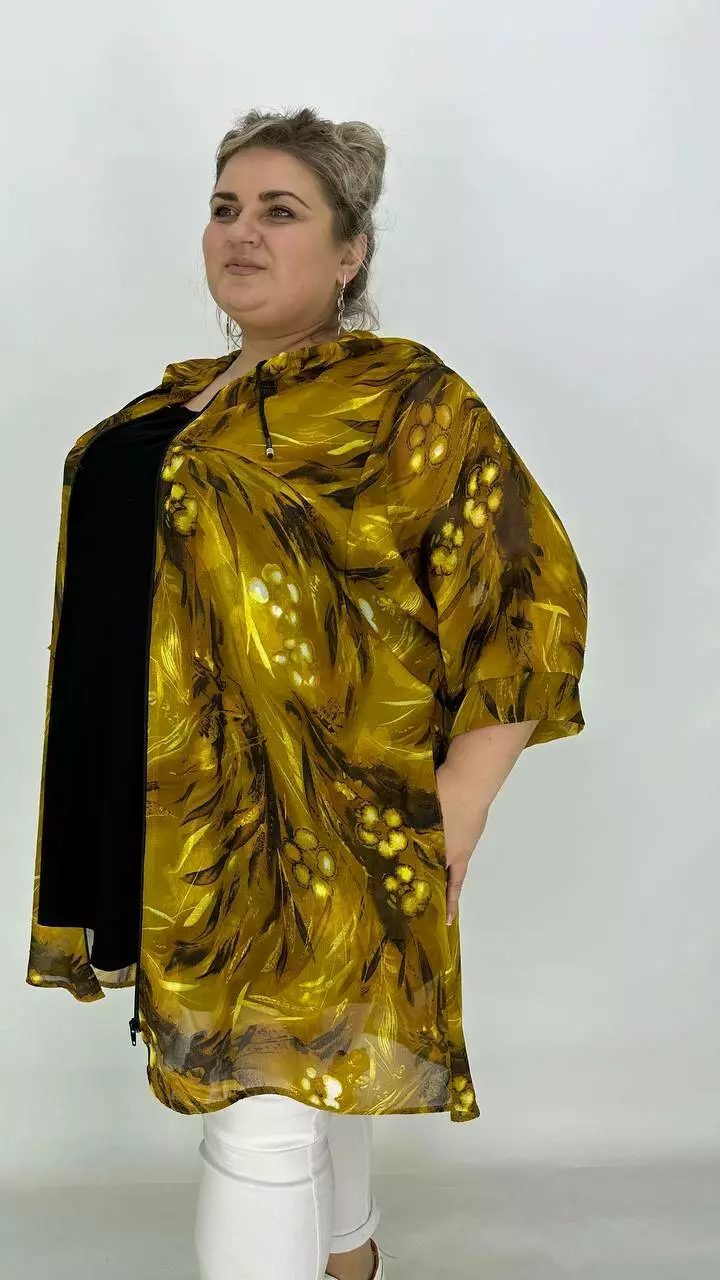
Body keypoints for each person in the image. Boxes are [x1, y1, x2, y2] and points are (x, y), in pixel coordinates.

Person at [25, 107, 589, 1280]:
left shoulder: (400, 396)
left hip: (313, 817)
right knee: (308, 1062)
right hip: (171, 810)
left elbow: (529, 589)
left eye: (281, 211)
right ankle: (349, 1254)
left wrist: (462, 800)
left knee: (257, 1113)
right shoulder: (176, 403)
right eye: (224, 207)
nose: (242, 231)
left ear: (349, 253)